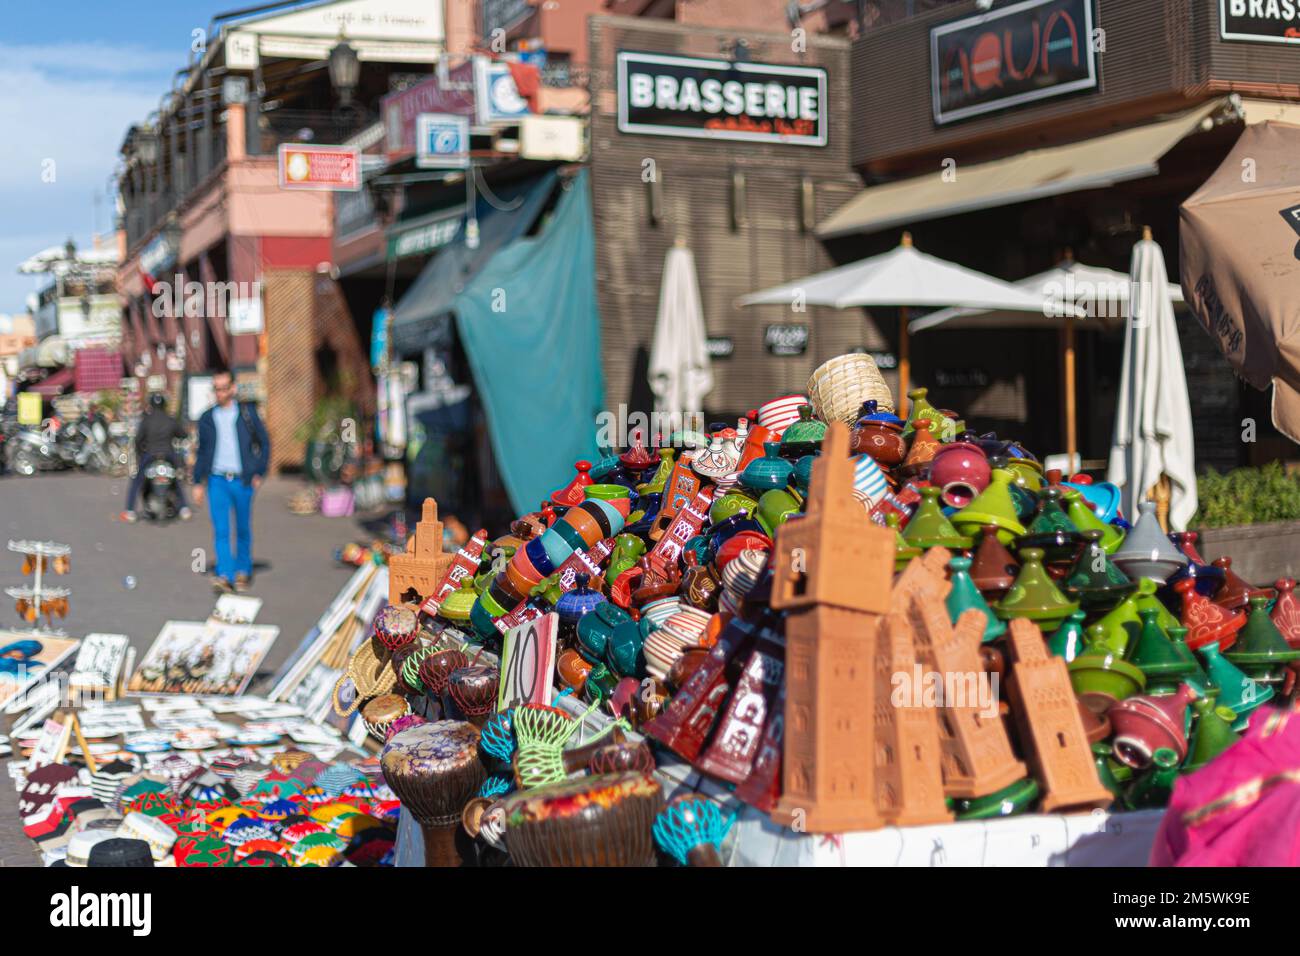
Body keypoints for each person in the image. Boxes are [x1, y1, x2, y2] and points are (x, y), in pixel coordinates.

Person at [192, 369, 270, 594]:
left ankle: (243, 571)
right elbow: (203, 451)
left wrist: (259, 472)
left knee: (243, 528)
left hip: (241, 480)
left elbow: (264, 443)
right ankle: (225, 574)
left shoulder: (247, 413)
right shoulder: (207, 418)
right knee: (221, 529)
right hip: (217, 479)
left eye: (224, 388)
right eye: (216, 389)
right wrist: (198, 482)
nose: (220, 393)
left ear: (233, 388)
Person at [122, 392, 191, 522]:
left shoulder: (146, 420)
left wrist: (140, 454)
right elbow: (182, 434)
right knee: (176, 480)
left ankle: (130, 510)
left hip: (150, 455)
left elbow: (138, 441)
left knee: (137, 481)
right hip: (169, 455)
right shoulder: (170, 419)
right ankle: (184, 508)